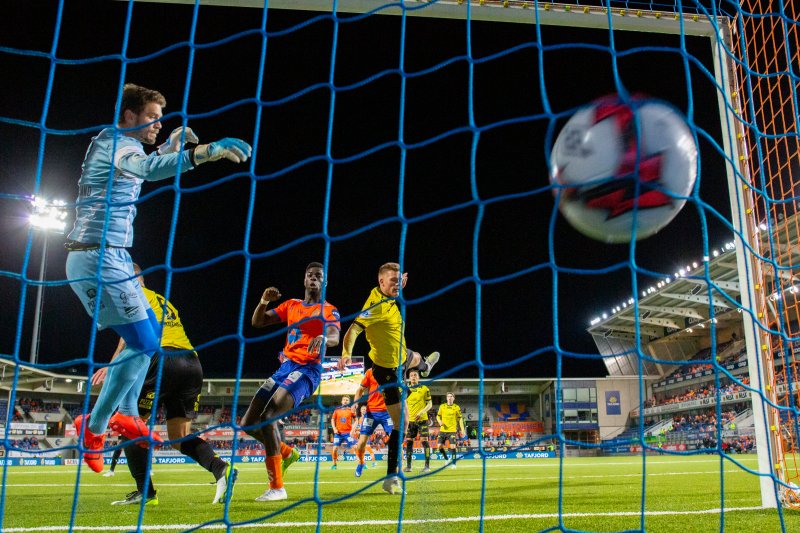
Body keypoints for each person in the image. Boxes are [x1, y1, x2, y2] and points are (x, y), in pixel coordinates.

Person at [65, 83, 251, 473]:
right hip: (97, 258)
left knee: (146, 337)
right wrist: (202, 153)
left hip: (106, 257)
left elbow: (139, 170)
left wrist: (168, 147)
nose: (158, 124)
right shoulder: (115, 143)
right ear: (130, 116)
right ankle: (101, 423)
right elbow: (145, 169)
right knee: (147, 340)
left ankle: (108, 421)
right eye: (151, 117)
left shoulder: (120, 148)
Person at [91, 263, 237, 506]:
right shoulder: (162, 300)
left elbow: (129, 341)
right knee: (179, 437)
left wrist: (112, 366)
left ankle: (145, 493)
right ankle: (221, 469)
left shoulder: (130, 295)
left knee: (130, 424)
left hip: (159, 358)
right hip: (191, 362)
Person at [241, 263, 340, 502]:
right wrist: (263, 301)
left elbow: (336, 336)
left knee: (269, 417)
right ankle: (287, 453)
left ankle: (277, 487)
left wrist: (324, 336)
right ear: (304, 280)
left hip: (307, 370)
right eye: (310, 275)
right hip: (285, 368)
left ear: (324, 282)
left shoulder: (328, 310)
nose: (314, 278)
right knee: (247, 423)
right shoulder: (292, 305)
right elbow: (258, 322)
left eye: (319, 276)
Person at [338, 262, 440, 494]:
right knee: (401, 423)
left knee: (413, 356)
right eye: (391, 281)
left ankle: (425, 366)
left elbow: (395, 288)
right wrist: (346, 353)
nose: (397, 284)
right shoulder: (375, 305)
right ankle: (390, 478)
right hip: (387, 371)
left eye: (398, 280)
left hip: (400, 357)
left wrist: (398, 286)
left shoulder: (391, 297)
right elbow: (353, 330)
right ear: (380, 282)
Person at [352, 368, 393, 479]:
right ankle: (361, 462)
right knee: (361, 443)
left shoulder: (393, 369)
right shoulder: (370, 372)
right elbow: (360, 390)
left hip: (388, 412)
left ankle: (395, 472)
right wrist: (355, 403)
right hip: (371, 413)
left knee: (395, 441)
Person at [404, 369, 432, 473]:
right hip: (410, 421)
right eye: (411, 375)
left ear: (418, 377)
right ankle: (408, 466)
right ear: (409, 378)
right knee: (409, 442)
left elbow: (430, 404)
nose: (413, 377)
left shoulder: (424, 388)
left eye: (415, 375)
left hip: (422, 419)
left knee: (424, 441)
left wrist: (421, 412)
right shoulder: (406, 390)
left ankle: (427, 466)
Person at [436, 392, 465, 469]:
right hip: (442, 430)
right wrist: (439, 422)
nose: (449, 398)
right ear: (446, 398)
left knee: (453, 446)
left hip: (452, 430)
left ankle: (454, 464)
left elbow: (460, 419)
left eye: (451, 396)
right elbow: (438, 416)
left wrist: (462, 429)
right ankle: (446, 459)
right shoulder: (442, 406)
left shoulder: (456, 407)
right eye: (448, 396)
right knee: (439, 446)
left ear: (453, 398)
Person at [330, 396, 357, 470]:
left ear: (349, 402)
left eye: (347, 400)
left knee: (355, 447)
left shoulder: (351, 410)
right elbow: (332, 420)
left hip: (348, 433)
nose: (345, 401)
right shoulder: (337, 410)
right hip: (338, 434)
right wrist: (334, 428)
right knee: (335, 449)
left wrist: (353, 430)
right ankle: (334, 464)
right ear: (342, 401)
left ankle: (362, 463)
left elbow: (356, 421)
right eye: (344, 400)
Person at [351, 404, 378, 469]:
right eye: (363, 409)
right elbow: (355, 427)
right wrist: (354, 431)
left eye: (365, 409)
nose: (364, 410)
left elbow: (369, 429)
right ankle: (363, 463)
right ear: (360, 410)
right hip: (357, 437)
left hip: (365, 436)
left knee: (368, 448)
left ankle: (374, 462)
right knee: (356, 449)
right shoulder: (358, 419)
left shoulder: (368, 419)